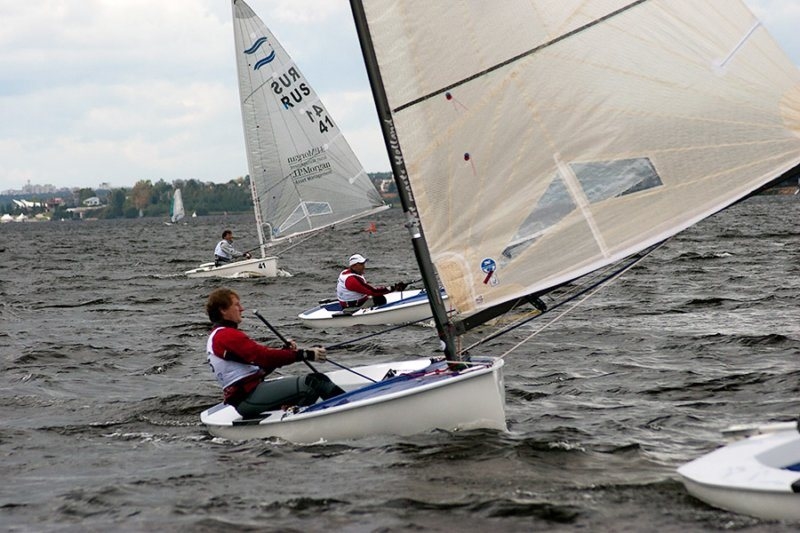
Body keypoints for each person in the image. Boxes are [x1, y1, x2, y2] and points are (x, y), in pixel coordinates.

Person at [205, 288, 344, 419]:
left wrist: (285, 353)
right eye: (236, 305)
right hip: (248, 397)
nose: (241, 309)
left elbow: (262, 364)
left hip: (247, 397)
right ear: (223, 310)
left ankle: (298, 419)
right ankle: (346, 409)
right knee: (315, 382)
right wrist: (305, 354)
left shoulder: (220, 336)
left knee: (313, 386)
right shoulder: (225, 335)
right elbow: (263, 356)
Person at [336, 253, 407, 310]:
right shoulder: (351, 280)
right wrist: (394, 288)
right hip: (353, 307)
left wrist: (391, 289)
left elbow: (369, 290)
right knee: (380, 299)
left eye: (363, 264)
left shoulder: (346, 272)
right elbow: (373, 292)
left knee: (377, 297)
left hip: (352, 303)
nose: (364, 266)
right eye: (361, 264)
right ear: (354, 266)